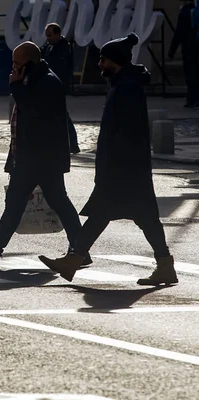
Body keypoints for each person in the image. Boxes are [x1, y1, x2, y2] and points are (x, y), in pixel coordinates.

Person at [39, 33, 178, 286]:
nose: (99, 64)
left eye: (103, 60)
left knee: (118, 215)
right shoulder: (123, 84)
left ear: (115, 61)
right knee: (124, 216)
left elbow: (127, 131)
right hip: (126, 168)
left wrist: (111, 166)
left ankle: (74, 259)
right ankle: (163, 265)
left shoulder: (127, 88)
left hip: (124, 169)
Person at [0, 42, 89, 269]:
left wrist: (16, 87)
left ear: (29, 64)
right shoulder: (34, 79)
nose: (13, 68)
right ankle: (80, 250)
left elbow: (34, 112)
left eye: (17, 64)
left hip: (41, 157)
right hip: (32, 156)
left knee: (42, 202)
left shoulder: (47, 82)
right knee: (32, 202)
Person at [42, 23, 80, 154]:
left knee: (62, 115)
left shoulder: (63, 48)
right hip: (49, 86)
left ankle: (73, 144)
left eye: (50, 35)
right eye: (46, 35)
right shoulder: (48, 46)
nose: (47, 38)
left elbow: (61, 68)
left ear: (57, 34)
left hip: (58, 86)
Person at [169, 0, 199, 108]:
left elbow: (178, 33)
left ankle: (192, 100)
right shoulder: (195, 11)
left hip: (189, 48)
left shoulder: (184, 13)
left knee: (190, 74)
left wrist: (171, 51)